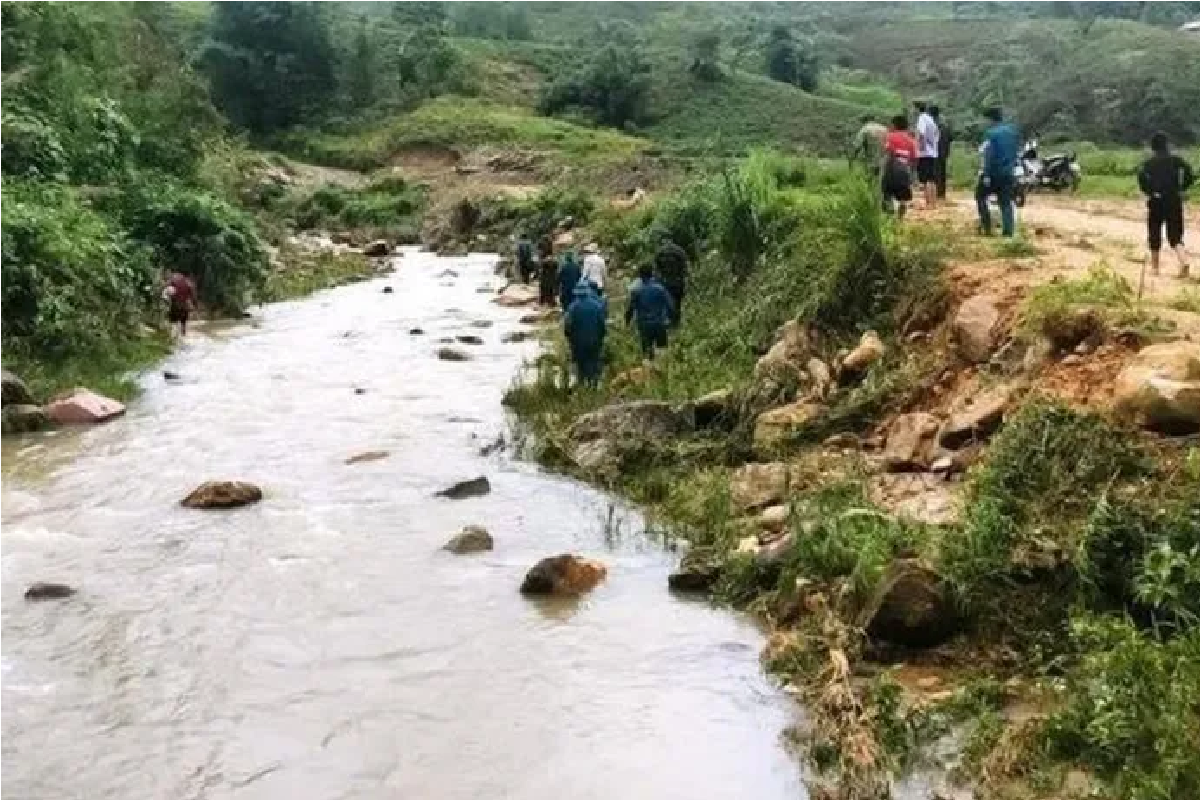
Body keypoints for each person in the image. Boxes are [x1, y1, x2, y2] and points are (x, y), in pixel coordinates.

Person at [1138, 131, 1195, 279]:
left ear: (1153, 147)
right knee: (1175, 235)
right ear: (1167, 145)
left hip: (1157, 200)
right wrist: (1182, 189)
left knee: (1154, 232)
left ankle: (1155, 268)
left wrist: (1150, 192)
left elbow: (1142, 180)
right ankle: (1184, 261)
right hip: (1174, 199)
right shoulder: (1177, 160)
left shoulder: (1148, 164)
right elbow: (1190, 174)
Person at [975, 106, 1020, 238]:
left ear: (990, 119)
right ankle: (1008, 232)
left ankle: (987, 227)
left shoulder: (991, 134)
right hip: (1008, 172)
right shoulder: (1012, 132)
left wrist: (986, 174)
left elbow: (989, 155)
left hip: (994, 172)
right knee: (1005, 202)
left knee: (980, 196)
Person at [625, 264, 674, 360]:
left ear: (640, 275)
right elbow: (670, 306)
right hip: (659, 323)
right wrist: (670, 321)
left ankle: (648, 370)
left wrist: (627, 322)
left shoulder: (637, 291)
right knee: (662, 350)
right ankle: (662, 370)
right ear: (652, 274)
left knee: (647, 352)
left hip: (644, 325)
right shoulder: (660, 289)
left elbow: (630, 309)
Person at [882, 114, 918, 218]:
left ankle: (890, 217)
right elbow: (914, 159)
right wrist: (911, 175)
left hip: (891, 170)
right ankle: (900, 220)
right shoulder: (911, 141)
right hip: (904, 171)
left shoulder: (890, 137)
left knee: (887, 194)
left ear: (894, 125)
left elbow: (886, 152)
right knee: (903, 198)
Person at [654, 237, 689, 326]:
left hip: (664, 283)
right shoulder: (680, 251)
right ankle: (675, 324)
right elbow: (685, 268)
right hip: (677, 282)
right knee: (677, 304)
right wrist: (685, 281)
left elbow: (657, 270)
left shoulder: (660, 252)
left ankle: (668, 323)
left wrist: (657, 282)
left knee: (665, 304)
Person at [914, 101, 940, 209]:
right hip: (933, 152)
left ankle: (928, 203)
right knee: (932, 179)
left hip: (925, 153)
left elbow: (921, 133)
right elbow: (937, 135)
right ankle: (933, 203)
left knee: (925, 179)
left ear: (917, 109)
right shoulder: (931, 120)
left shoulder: (922, 118)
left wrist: (920, 147)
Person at [163, 270, 196, 335]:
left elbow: (166, 290)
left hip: (175, 305)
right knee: (183, 323)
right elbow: (192, 294)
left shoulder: (172, 280)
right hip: (184, 305)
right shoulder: (187, 282)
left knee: (173, 322)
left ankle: (174, 336)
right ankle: (183, 332)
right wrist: (194, 305)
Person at [931, 105, 953, 200]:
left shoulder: (931, 125)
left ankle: (935, 194)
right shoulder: (945, 125)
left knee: (934, 173)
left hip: (933, 152)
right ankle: (942, 194)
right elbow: (951, 138)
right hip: (944, 152)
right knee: (942, 172)